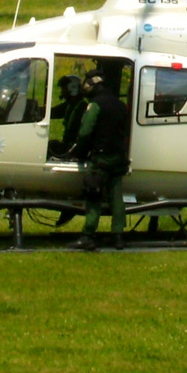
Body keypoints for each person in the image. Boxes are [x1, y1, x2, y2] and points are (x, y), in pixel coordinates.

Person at [71, 73, 130, 250]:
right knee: (117, 197)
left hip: (101, 158)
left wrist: (78, 152)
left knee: (93, 194)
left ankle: (88, 235)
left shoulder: (95, 105)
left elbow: (85, 132)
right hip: (119, 157)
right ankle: (118, 236)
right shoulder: (120, 105)